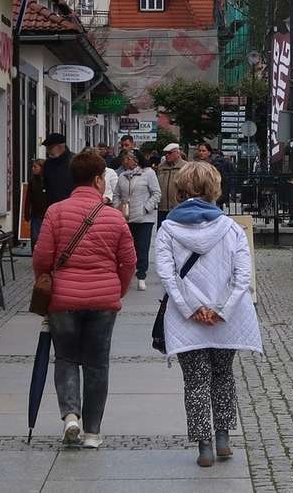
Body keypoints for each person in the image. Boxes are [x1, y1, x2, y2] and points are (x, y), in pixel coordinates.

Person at [153, 161, 261, 468]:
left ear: (181, 189)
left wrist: (191, 308)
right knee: (223, 375)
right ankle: (224, 438)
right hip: (226, 320)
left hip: (186, 320)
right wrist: (221, 309)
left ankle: (204, 446)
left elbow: (168, 275)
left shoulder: (168, 229)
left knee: (196, 381)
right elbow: (243, 276)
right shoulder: (230, 229)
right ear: (214, 189)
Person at [34, 148, 136, 449]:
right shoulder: (114, 218)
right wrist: (118, 289)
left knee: (65, 358)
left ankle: (70, 416)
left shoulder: (56, 212)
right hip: (103, 301)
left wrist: (47, 284)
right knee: (97, 364)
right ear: (96, 180)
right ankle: (92, 432)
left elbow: (41, 258)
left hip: (63, 301)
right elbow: (129, 261)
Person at [114, 149, 162, 291]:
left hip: (144, 218)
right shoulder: (122, 176)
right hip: (126, 217)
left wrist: (146, 207)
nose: (125, 161)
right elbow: (116, 193)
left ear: (135, 160)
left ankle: (141, 275)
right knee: (126, 248)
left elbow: (156, 193)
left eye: (128, 158)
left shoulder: (148, 173)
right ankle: (127, 274)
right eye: (124, 159)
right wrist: (118, 207)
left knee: (142, 247)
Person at [156, 142, 185, 226]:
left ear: (177, 153)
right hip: (162, 208)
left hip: (177, 207)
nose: (166, 156)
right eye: (165, 153)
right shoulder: (161, 167)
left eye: (169, 153)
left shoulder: (185, 166)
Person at [41, 133, 74, 206]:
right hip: (52, 207)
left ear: (60, 146)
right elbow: (45, 185)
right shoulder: (48, 164)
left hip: (71, 206)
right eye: (47, 148)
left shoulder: (75, 161)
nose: (47, 151)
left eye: (50, 148)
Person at [26, 158, 49, 248]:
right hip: (36, 215)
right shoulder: (32, 181)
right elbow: (28, 198)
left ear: (41, 168)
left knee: (46, 238)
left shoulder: (48, 180)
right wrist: (27, 213)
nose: (33, 169)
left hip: (47, 215)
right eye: (32, 167)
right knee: (35, 238)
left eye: (35, 167)